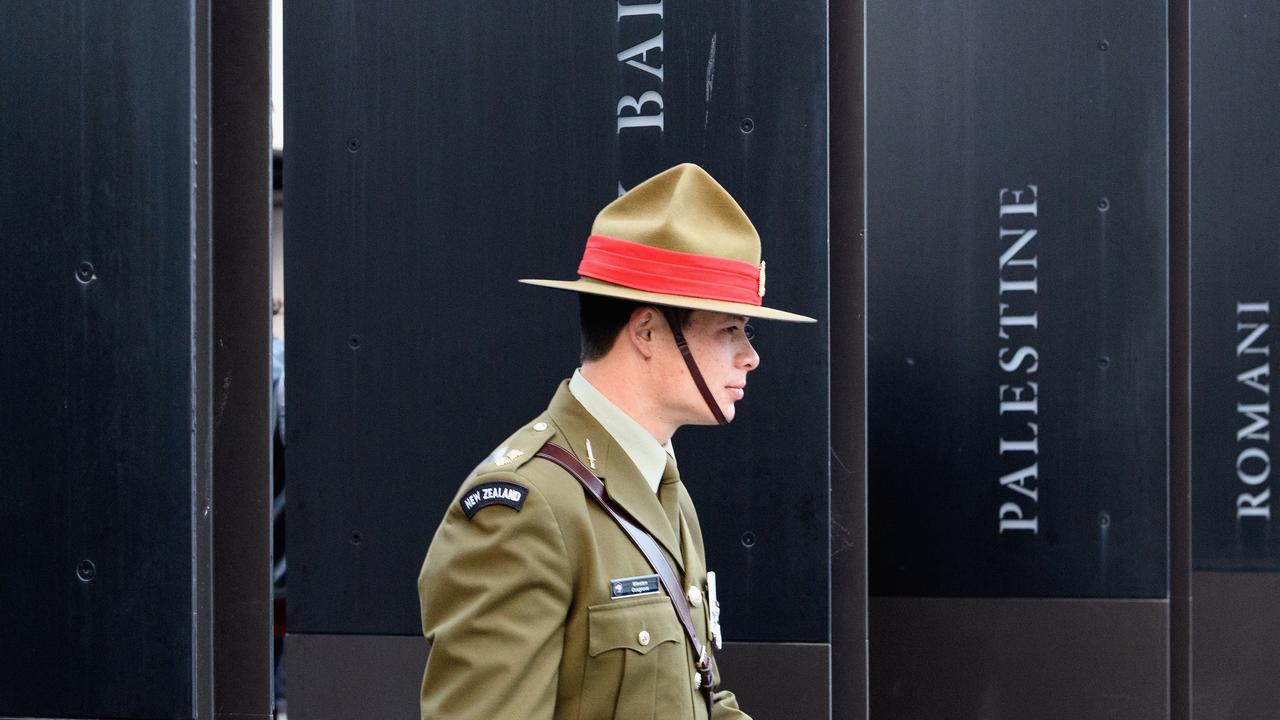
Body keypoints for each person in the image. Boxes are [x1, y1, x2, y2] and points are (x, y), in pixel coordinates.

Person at [417, 163, 814, 719]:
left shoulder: (662, 487)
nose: (750, 355)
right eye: (728, 330)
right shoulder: (525, 509)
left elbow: (697, 698)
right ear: (647, 332)